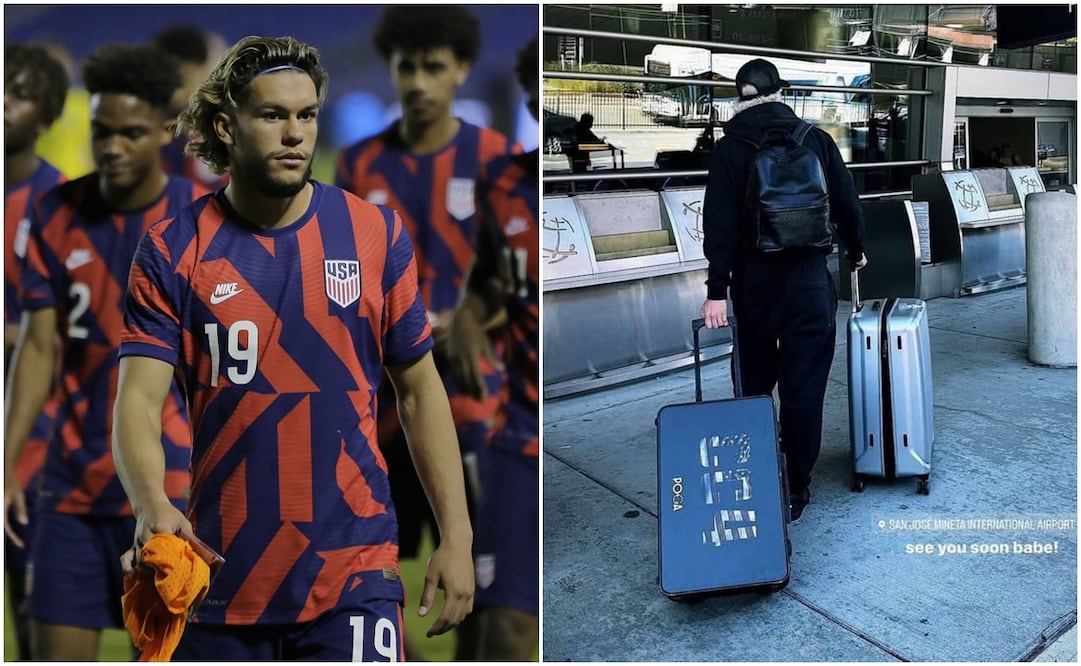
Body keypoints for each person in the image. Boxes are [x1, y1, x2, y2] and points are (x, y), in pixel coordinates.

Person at [113, 35, 474, 661]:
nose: (294, 134)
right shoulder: (173, 249)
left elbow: (418, 391)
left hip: (353, 569)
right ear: (226, 126)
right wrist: (151, 504)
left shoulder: (374, 234)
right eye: (273, 115)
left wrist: (458, 535)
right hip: (219, 574)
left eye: (306, 116)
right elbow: (138, 403)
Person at [3, 42, 200, 661]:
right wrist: (8, 462)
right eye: (101, 131)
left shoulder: (198, 222)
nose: (112, 146)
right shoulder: (56, 211)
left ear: (166, 132)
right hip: (69, 490)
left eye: (131, 133)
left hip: (172, 491)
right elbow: (38, 348)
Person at [335, 8, 517, 656]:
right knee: (353, 569)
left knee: (481, 582)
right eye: (405, 66)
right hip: (372, 404)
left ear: (460, 68)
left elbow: (514, 272)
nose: (417, 81)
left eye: (432, 66)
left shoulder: (497, 160)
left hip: (469, 397)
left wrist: (473, 313)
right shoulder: (356, 166)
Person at [700, 58, 867, 524]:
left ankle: (754, 473)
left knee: (753, 386)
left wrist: (717, 289)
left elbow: (720, 226)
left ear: (740, 96)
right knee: (803, 391)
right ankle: (796, 487)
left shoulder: (730, 148)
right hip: (810, 283)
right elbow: (848, 205)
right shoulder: (816, 139)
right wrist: (857, 250)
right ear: (781, 92)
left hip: (753, 286)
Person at [446, 34, 540, 662]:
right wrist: (468, 322)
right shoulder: (499, 184)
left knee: (515, 629)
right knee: (496, 626)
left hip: (547, 434)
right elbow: (486, 282)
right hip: (515, 433)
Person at [3, 42, 70, 662]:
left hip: (33, 439)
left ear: (47, 114)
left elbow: (74, 330)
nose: (1, 103)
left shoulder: (63, 207)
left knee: (29, 604)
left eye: (18, 93)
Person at [153, 24, 230, 189]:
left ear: (199, 72)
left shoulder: (222, 128)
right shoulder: (144, 129)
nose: (176, 89)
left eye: (184, 77)